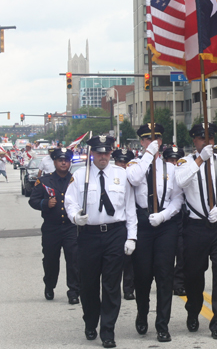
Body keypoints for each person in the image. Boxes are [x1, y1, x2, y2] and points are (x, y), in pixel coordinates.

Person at [65, 135, 137, 349]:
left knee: (111, 285)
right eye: (99, 152)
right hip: (89, 235)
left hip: (115, 233)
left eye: (106, 153)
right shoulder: (80, 176)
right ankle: (90, 322)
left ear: (111, 153)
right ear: (92, 154)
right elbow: (70, 202)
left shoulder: (121, 174)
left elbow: (130, 207)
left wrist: (131, 236)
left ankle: (108, 330)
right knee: (88, 284)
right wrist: (75, 216)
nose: (103, 156)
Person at [175, 123, 217, 340]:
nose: (207, 142)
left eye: (210, 138)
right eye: (202, 139)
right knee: (194, 273)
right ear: (194, 141)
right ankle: (193, 310)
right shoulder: (186, 162)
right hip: (196, 227)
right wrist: (200, 159)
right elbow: (180, 181)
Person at [126, 124, 183, 343]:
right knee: (142, 275)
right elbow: (134, 179)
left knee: (164, 275)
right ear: (141, 142)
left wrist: (165, 215)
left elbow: (178, 198)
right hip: (142, 222)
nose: (153, 143)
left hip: (165, 224)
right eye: (147, 140)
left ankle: (162, 325)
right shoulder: (134, 165)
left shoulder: (171, 168)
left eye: (156, 139)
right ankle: (142, 314)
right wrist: (148, 155)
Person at [28, 148, 79, 303]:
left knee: (74, 260)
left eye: (66, 160)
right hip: (52, 228)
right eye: (60, 160)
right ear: (55, 162)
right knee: (50, 260)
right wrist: (45, 203)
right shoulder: (44, 181)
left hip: (71, 227)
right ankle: (49, 285)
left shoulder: (75, 180)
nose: (64, 163)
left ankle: (74, 291)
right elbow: (33, 200)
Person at [112, 148, 137, 301]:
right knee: (114, 259)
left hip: (133, 219)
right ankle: (113, 288)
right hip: (117, 222)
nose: (122, 165)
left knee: (130, 259)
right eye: (119, 162)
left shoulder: (134, 177)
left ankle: (128, 289)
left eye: (125, 162)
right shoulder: (110, 177)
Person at [162, 145, 187, 297]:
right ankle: (166, 281)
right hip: (168, 217)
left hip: (185, 215)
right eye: (171, 160)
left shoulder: (186, 172)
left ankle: (179, 283)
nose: (174, 163)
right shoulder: (163, 175)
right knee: (167, 253)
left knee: (183, 252)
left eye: (177, 160)